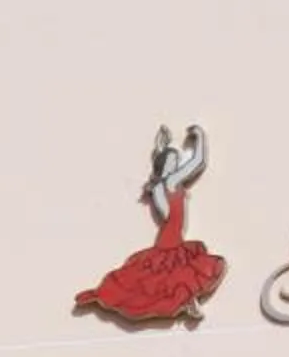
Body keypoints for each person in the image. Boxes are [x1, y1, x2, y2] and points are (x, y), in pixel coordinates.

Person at [75, 124, 228, 326]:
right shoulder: (171, 182)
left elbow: (167, 210)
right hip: (170, 237)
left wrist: (162, 193)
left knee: (169, 277)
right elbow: (197, 162)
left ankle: (187, 302)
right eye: (174, 162)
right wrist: (199, 137)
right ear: (166, 166)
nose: (177, 166)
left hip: (171, 235)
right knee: (171, 276)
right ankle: (187, 302)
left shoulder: (161, 186)